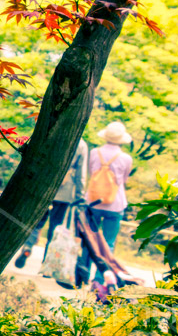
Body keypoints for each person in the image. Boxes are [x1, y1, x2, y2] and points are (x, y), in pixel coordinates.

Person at [15, 138, 88, 269]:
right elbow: (80, 174)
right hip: (65, 193)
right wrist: (79, 196)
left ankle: (28, 245)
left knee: (36, 222)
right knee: (55, 226)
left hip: (45, 186)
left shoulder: (57, 135)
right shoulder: (81, 145)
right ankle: (46, 262)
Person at [79, 121, 133, 283]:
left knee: (89, 240)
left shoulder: (95, 152)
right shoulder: (126, 158)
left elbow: (91, 173)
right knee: (108, 243)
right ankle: (100, 278)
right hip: (115, 204)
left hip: (93, 202)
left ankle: (82, 275)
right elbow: (123, 180)